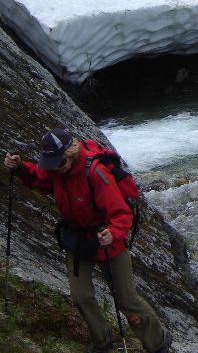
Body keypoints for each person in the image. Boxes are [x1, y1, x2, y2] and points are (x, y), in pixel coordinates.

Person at [4, 128, 172, 353]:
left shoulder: (96, 173)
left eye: (59, 163)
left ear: (71, 154)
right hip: (77, 239)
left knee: (126, 300)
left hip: (108, 240)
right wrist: (21, 167)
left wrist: (113, 231)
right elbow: (39, 180)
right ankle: (101, 341)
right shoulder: (56, 168)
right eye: (51, 163)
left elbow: (122, 213)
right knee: (81, 297)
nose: (54, 167)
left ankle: (159, 343)